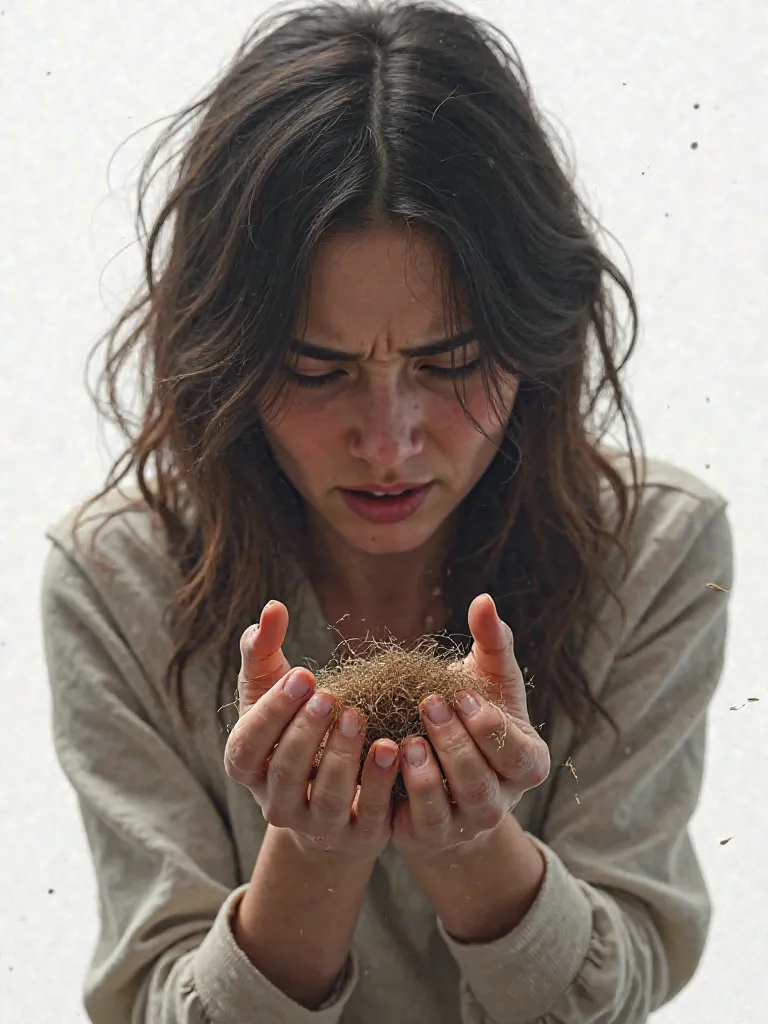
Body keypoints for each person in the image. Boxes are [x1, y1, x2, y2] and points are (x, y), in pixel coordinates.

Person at [40, 2, 733, 1022]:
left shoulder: (652, 549)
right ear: (230, 358)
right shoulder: (120, 577)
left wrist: (472, 844)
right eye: (317, 370)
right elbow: (153, 1002)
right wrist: (316, 849)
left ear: (533, 338)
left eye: (448, 363)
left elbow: (616, 988)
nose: (388, 439)